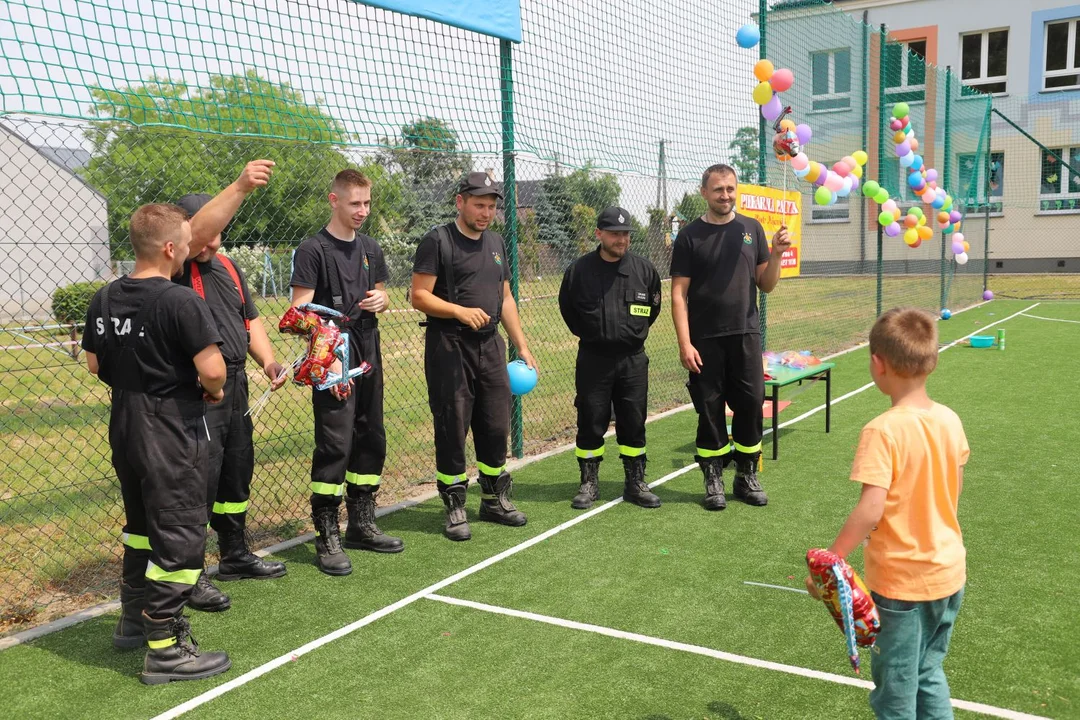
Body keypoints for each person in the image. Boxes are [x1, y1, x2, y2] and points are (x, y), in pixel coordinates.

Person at [83, 203, 231, 684]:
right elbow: (212, 370)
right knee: (182, 533)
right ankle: (165, 646)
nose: (191, 250)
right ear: (170, 248)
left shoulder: (104, 297)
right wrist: (212, 389)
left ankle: (131, 617)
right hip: (171, 427)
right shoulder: (179, 300)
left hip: (125, 421)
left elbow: (93, 364)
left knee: (143, 525)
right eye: (187, 243)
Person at [806, 308, 968, 719]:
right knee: (927, 670)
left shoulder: (883, 429)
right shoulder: (949, 420)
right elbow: (952, 492)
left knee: (894, 693)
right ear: (930, 361)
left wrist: (831, 565)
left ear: (877, 364)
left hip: (904, 585)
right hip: (949, 575)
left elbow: (871, 508)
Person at [171, 160, 288, 614]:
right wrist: (239, 185)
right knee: (198, 478)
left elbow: (250, 319)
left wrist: (270, 360)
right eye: (207, 230)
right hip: (199, 390)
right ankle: (191, 573)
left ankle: (235, 554)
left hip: (236, 384)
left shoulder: (229, 267)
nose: (213, 240)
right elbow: (197, 236)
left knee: (237, 468)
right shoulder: (176, 266)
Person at [410, 171, 538, 541]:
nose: (486, 213)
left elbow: (507, 298)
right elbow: (418, 296)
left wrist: (522, 346)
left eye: (492, 207)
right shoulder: (438, 241)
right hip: (448, 345)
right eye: (479, 205)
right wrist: (458, 311)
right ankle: (454, 506)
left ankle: (494, 500)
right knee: (453, 426)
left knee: (495, 423)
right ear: (460, 202)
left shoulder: (496, 242)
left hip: (490, 346)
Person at [289, 168, 401, 576]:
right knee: (335, 443)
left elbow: (383, 295)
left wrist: (382, 300)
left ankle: (362, 523)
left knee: (371, 434)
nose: (362, 211)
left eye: (367, 203)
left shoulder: (371, 247)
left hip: (369, 348)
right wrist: (329, 360)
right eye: (355, 203)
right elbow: (299, 313)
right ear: (334, 200)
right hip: (333, 354)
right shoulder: (312, 249)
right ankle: (326, 534)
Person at [670, 163, 790, 511]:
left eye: (731, 189)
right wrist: (685, 342)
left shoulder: (751, 228)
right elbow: (679, 294)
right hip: (704, 340)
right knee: (709, 410)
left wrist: (778, 253)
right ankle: (713, 479)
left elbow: (765, 284)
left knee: (752, 404)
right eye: (718, 189)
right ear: (704, 192)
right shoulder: (689, 236)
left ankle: (746, 476)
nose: (725, 195)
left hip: (746, 335)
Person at [558, 206, 662, 510]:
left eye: (626, 234)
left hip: (633, 360)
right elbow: (568, 310)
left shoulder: (644, 271)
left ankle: (635, 482)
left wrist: (629, 335)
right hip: (594, 359)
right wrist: (594, 335)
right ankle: (588, 483)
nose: (622, 239)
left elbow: (651, 311)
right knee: (590, 420)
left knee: (633, 421)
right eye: (615, 234)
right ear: (599, 234)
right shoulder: (579, 271)